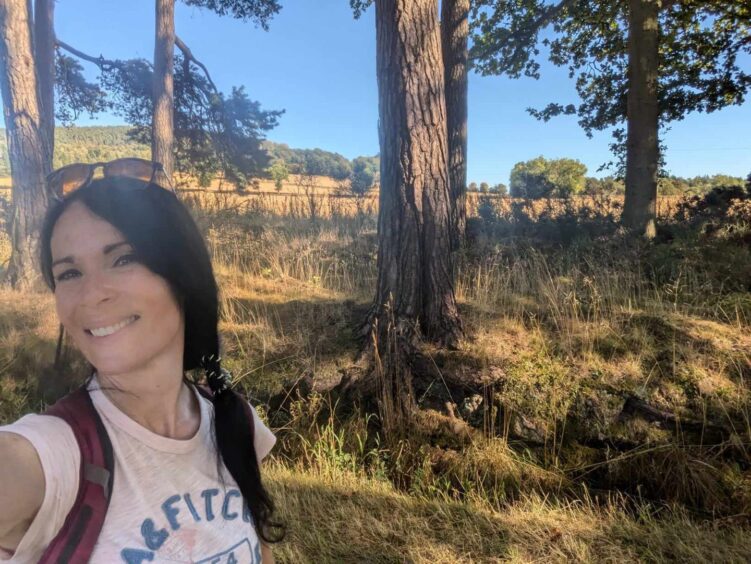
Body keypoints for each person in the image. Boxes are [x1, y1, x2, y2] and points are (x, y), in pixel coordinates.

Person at [0, 159, 283, 563]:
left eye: (122, 259)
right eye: (69, 273)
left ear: (182, 275)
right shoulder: (54, 457)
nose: (92, 294)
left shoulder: (235, 422)